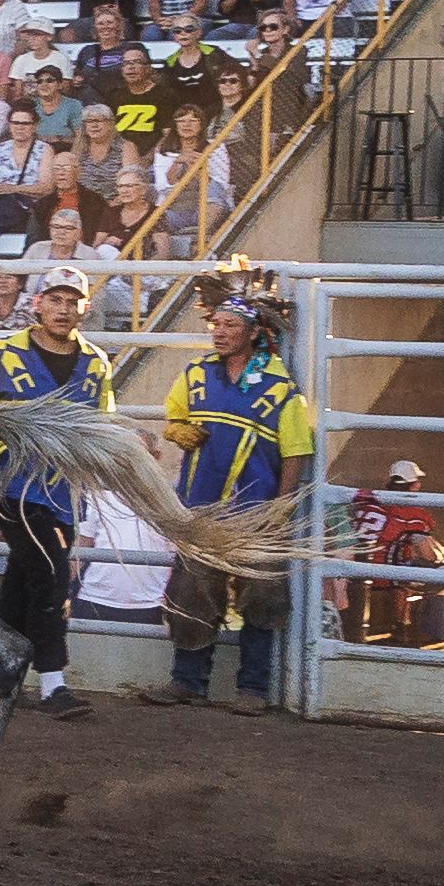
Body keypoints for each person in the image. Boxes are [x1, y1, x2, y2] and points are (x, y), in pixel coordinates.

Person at [149, 285, 311, 706]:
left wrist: (280, 506)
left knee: (261, 596)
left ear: (254, 332)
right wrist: (176, 430)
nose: (219, 332)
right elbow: (175, 414)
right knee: (191, 591)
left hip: (256, 512)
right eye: (216, 324)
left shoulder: (281, 388)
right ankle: (187, 681)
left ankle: (252, 688)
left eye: (230, 325)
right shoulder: (196, 374)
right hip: (201, 508)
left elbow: (295, 451)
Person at [0, 268, 105, 715]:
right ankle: (54, 682)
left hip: (64, 493)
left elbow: (100, 424)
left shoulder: (96, 363)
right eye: (55, 299)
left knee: (24, 580)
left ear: (85, 307)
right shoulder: (1, 356)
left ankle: (4, 677)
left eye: (72, 300)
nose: (64, 308)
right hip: (13, 488)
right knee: (52, 577)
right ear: (37, 304)